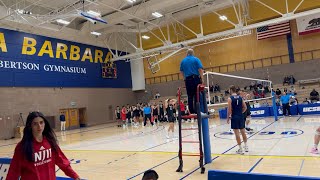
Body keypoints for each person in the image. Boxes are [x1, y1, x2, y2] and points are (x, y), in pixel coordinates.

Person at [6, 112, 80, 180]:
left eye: (41, 122)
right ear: (30, 126)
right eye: (35, 124)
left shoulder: (50, 142)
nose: (39, 126)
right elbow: (14, 171)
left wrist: (75, 176)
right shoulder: (22, 147)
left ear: (45, 123)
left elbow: (62, 161)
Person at [180, 48, 203, 115]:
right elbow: (200, 69)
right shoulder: (196, 59)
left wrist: (184, 79)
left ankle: (191, 111)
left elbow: (181, 71)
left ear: (187, 53)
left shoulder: (183, 61)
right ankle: (197, 111)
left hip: (187, 79)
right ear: (193, 53)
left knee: (190, 96)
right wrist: (202, 78)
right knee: (197, 95)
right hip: (195, 78)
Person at [227, 85, 248, 154]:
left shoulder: (230, 98)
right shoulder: (240, 98)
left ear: (231, 90)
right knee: (243, 132)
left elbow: (229, 110)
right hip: (241, 116)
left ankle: (240, 149)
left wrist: (228, 118)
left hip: (234, 117)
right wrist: (240, 113)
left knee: (237, 134)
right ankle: (246, 147)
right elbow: (245, 107)